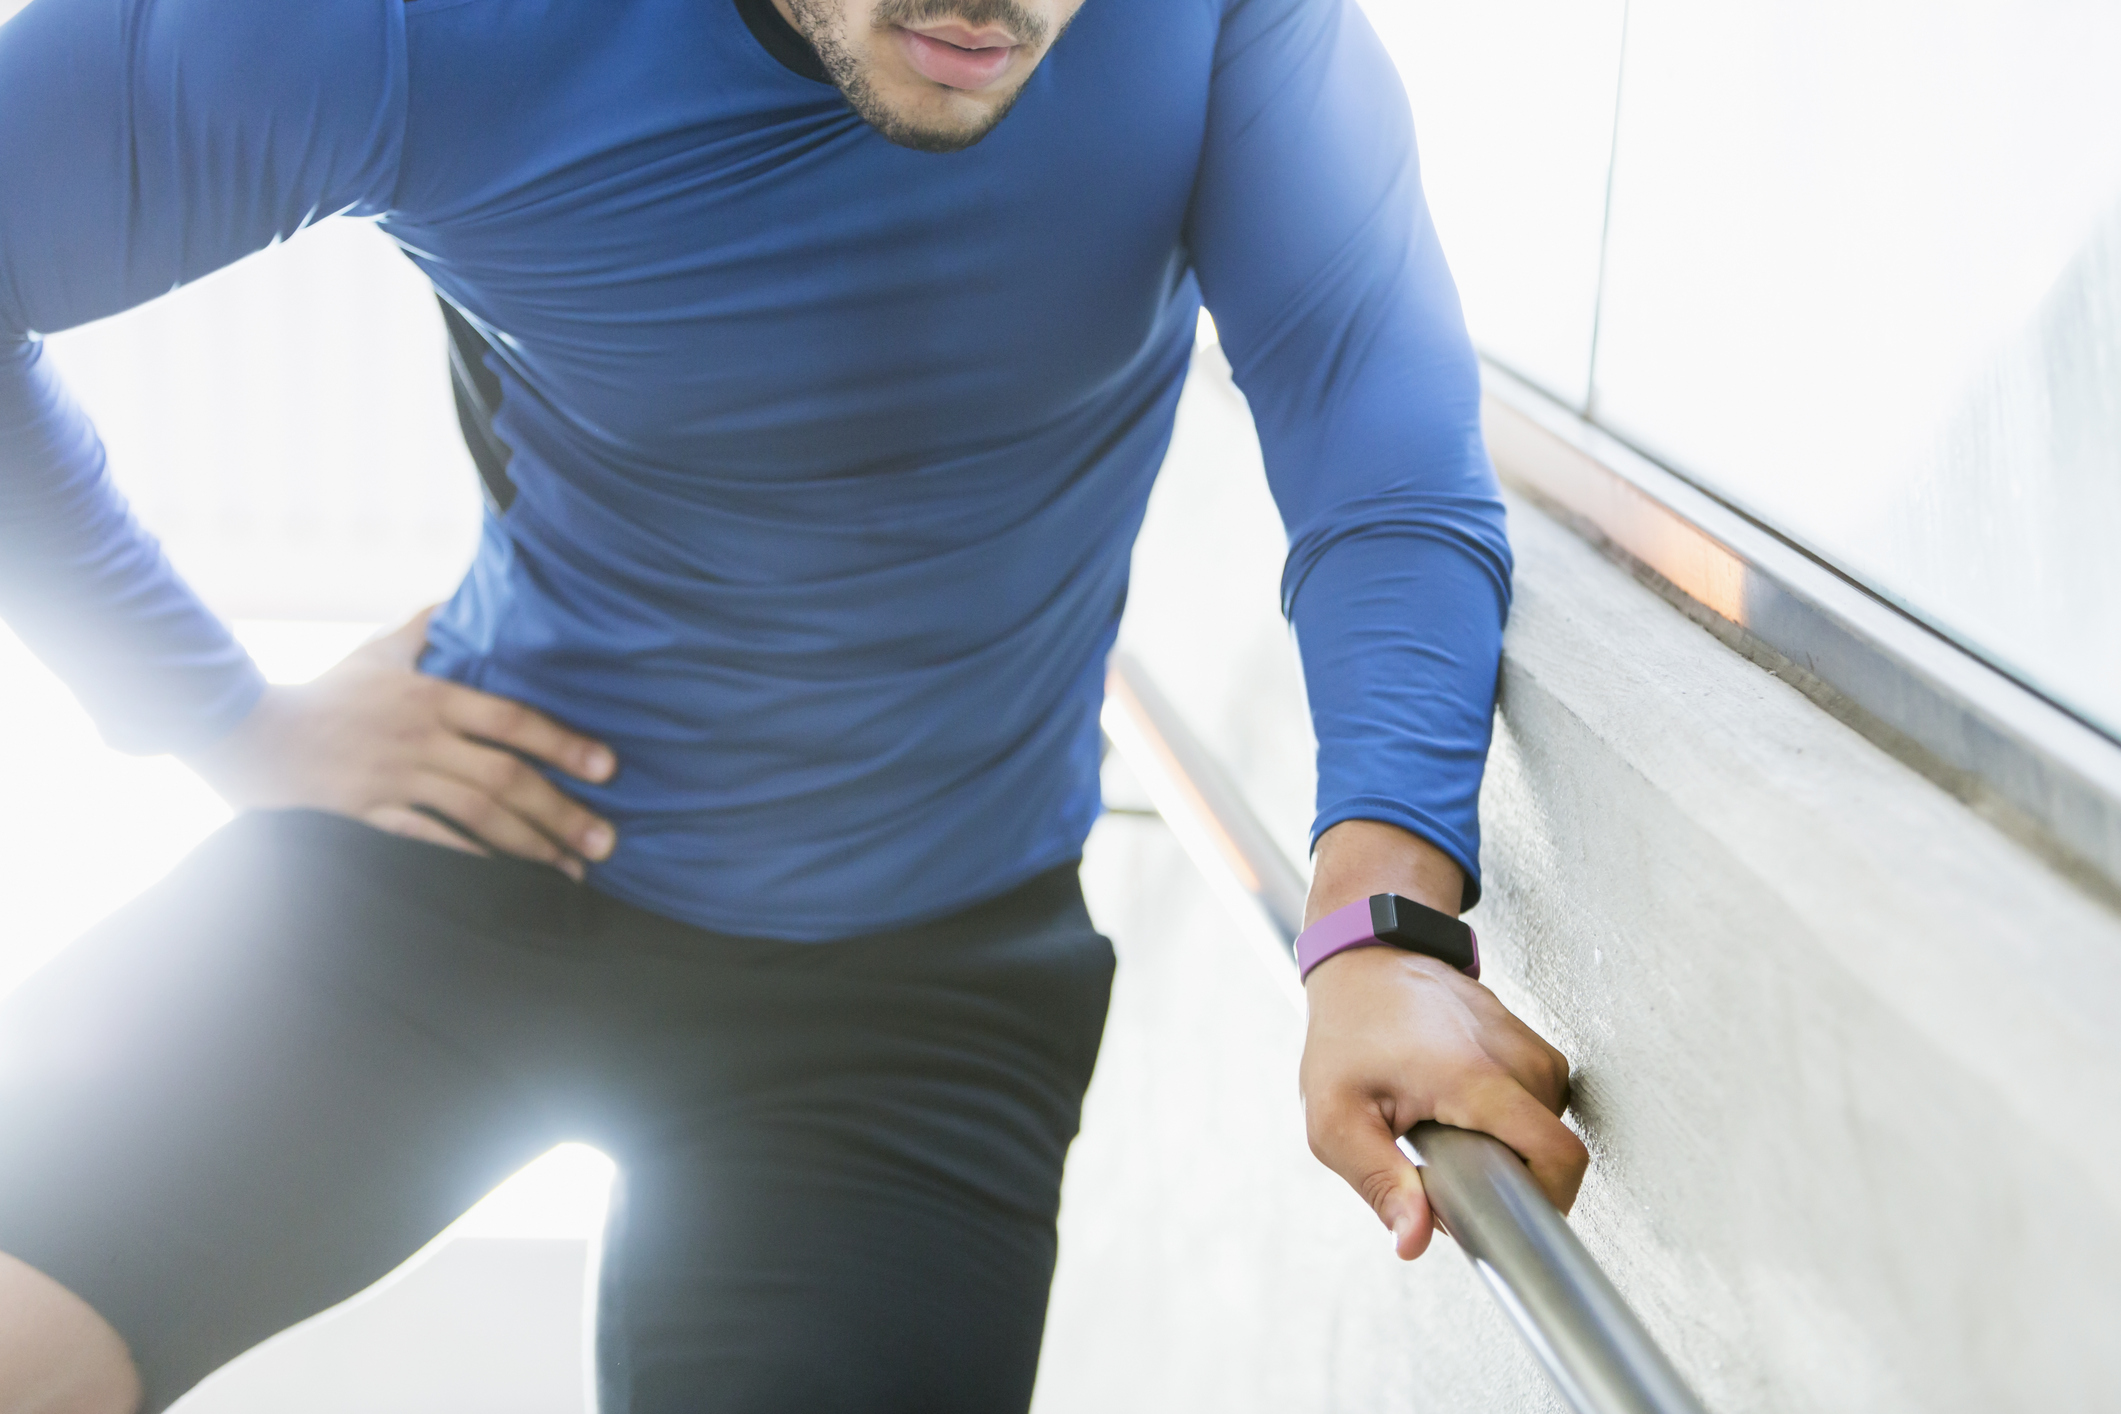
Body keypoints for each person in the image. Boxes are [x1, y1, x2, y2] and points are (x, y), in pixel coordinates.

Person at [0, 0, 1588, 1407]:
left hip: (913, 988)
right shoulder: (404, 18)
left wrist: (1379, 928)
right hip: (461, 860)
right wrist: (212, 713)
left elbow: (1377, 448)